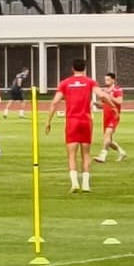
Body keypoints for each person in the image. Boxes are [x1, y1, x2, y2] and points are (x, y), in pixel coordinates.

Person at [46, 58, 96, 193]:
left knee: (71, 155)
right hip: (86, 121)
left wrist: (49, 121)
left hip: (72, 122)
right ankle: (86, 184)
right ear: (85, 69)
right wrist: (113, 106)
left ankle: (74, 183)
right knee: (86, 154)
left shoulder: (65, 83)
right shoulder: (90, 82)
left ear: (72, 69)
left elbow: (54, 102)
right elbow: (102, 95)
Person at [95, 72, 127, 163]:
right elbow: (103, 105)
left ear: (113, 80)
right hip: (106, 117)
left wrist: (110, 97)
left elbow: (120, 101)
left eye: (108, 80)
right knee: (108, 139)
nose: (106, 81)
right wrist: (97, 104)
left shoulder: (117, 89)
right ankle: (121, 152)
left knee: (107, 135)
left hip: (114, 116)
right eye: (105, 80)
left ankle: (103, 155)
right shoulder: (103, 91)